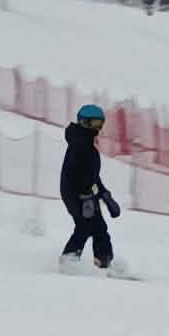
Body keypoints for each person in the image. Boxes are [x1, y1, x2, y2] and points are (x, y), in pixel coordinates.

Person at [59, 104, 121, 270]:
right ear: (84, 122)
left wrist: (106, 196)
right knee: (85, 226)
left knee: (98, 227)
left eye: (100, 124)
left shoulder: (85, 144)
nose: (97, 128)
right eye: (94, 123)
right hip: (74, 193)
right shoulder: (80, 145)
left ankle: (104, 262)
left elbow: (91, 175)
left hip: (84, 194)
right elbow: (76, 175)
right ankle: (68, 261)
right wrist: (85, 196)